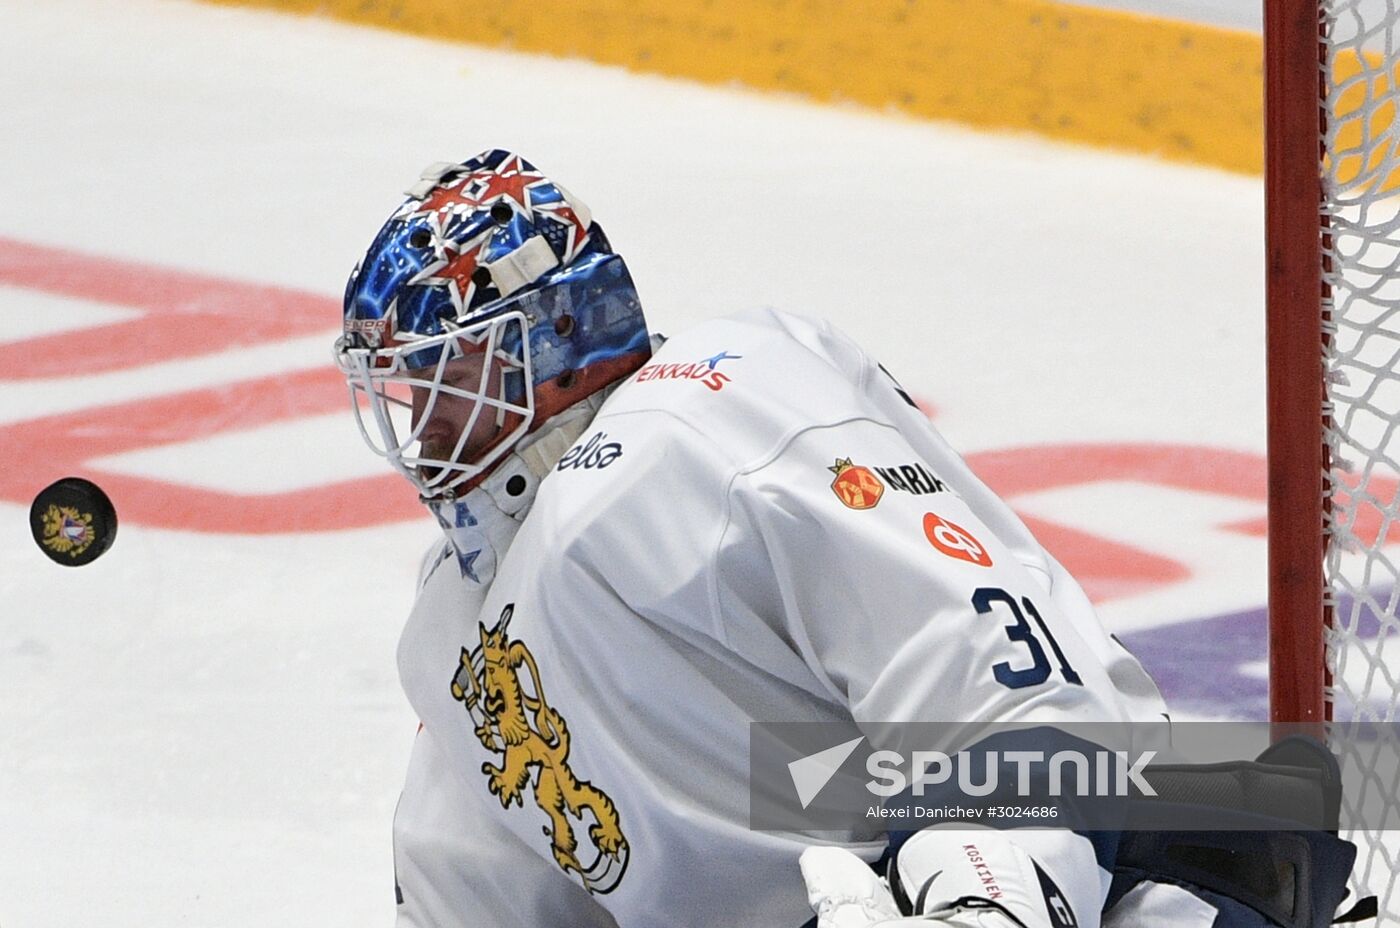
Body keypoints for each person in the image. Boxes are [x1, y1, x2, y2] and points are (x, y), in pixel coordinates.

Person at [335, 151, 1358, 928]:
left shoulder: (699, 414)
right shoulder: (451, 625)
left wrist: (975, 903)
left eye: (447, 378)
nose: (419, 425)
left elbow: (1009, 690)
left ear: (555, 338)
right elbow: (465, 886)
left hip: (1098, 881)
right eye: (405, 392)